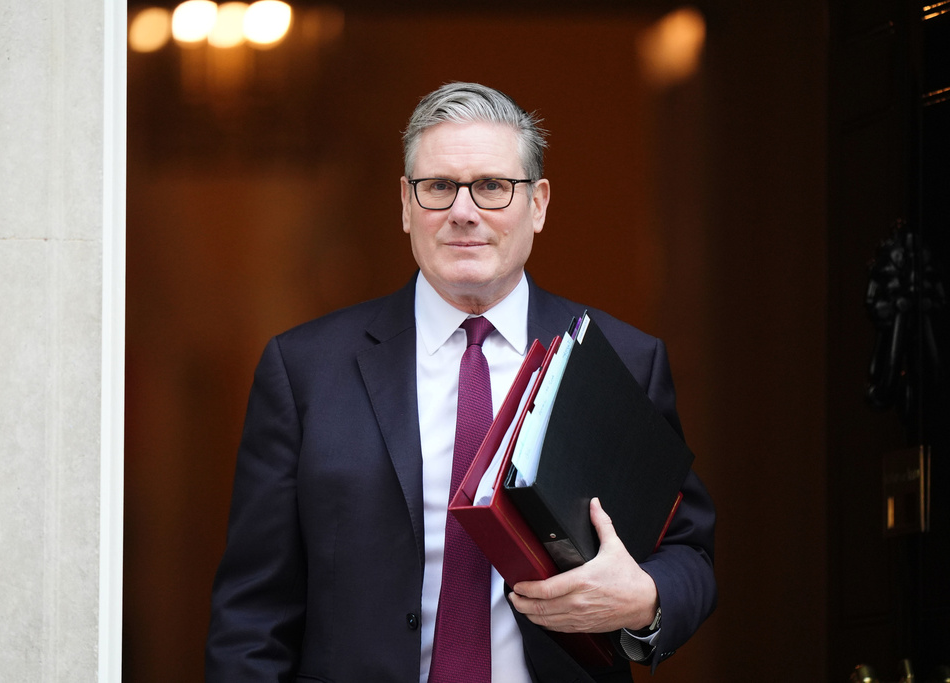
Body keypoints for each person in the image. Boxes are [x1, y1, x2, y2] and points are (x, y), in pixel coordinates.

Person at [205, 82, 716, 683]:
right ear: (405, 203)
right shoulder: (305, 370)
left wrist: (647, 600)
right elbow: (253, 612)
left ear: (539, 204)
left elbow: (689, 552)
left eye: (493, 187)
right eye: (439, 187)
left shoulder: (622, 359)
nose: (464, 211)